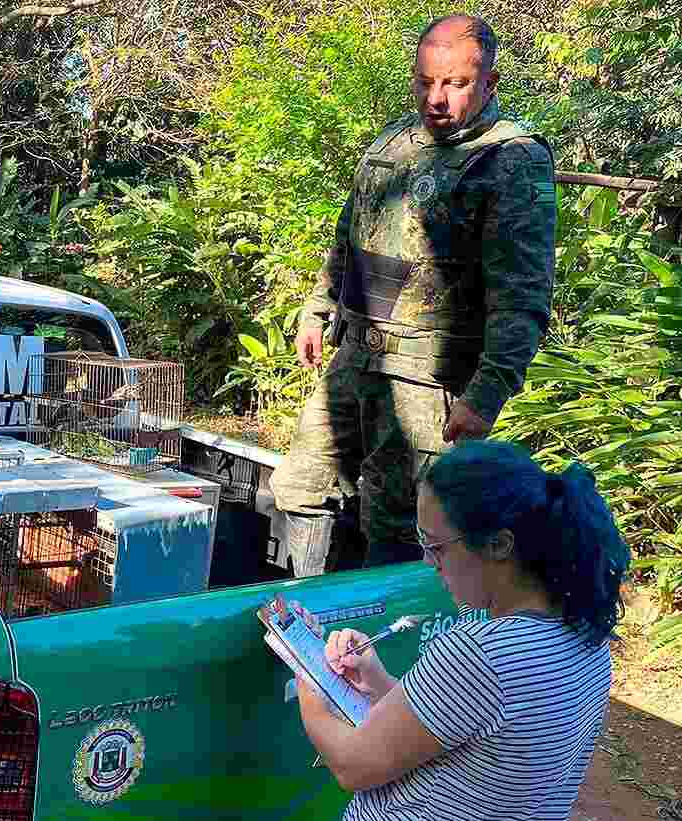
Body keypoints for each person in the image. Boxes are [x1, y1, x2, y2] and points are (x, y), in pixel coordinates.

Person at [268, 14, 558, 574]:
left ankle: (386, 652)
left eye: (455, 84)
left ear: (489, 83)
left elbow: (522, 294)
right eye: (426, 83)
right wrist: (317, 309)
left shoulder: (511, 160)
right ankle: (306, 627)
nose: (437, 98)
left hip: (429, 387)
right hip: (355, 361)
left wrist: (488, 390)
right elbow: (348, 238)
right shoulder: (393, 144)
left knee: (399, 527)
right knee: (301, 487)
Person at [293, 440, 629, 821]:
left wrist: (311, 680)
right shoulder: (587, 637)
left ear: (499, 544)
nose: (427, 561)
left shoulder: (483, 653)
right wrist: (377, 680)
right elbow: (470, 731)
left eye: (436, 546)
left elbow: (354, 766)